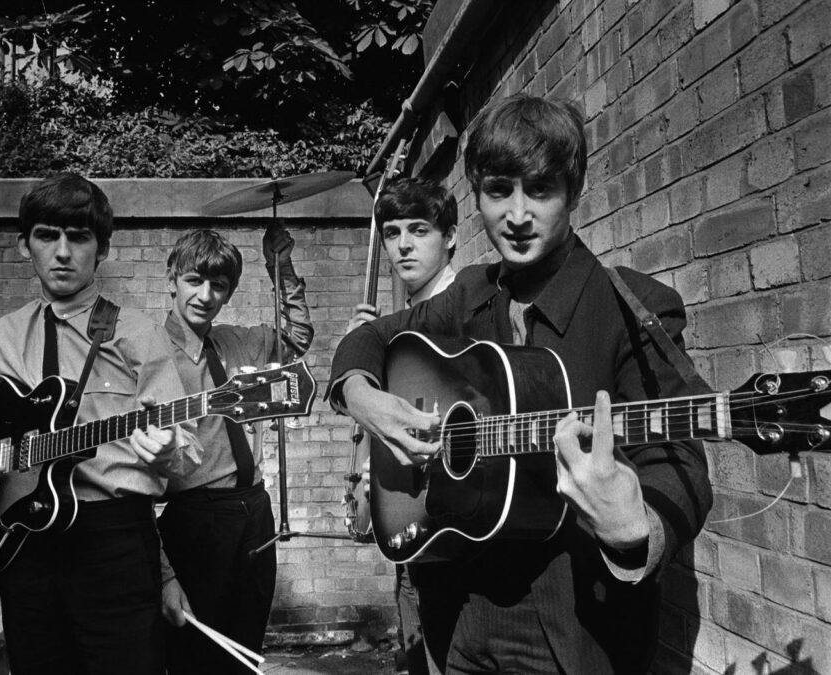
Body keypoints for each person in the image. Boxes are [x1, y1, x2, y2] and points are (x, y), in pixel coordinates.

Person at [327, 95, 714, 674]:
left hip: (578, 627)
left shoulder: (634, 307)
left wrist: (637, 529)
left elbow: (679, 457)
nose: (518, 214)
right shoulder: (467, 298)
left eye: (540, 190)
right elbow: (372, 340)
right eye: (499, 190)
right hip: (457, 618)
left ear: (574, 191)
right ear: (478, 193)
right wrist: (364, 398)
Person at [0, 173, 201, 675]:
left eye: (79, 237)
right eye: (47, 235)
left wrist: (167, 446)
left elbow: (186, 449)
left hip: (116, 544)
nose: (63, 252)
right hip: (25, 543)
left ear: (101, 248)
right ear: (26, 246)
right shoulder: (1, 338)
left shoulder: (138, 335)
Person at [158, 226, 313, 674]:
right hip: (195, 519)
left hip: (254, 512)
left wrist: (280, 266)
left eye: (219, 286)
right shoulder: (147, 354)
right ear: (172, 279)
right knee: (194, 655)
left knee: (245, 649)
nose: (206, 295)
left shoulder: (240, 340)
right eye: (194, 281)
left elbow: (297, 336)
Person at [346, 176, 457, 675]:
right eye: (392, 233)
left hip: (454, 534)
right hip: (413, 525)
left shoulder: (466, 311)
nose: (403, 245)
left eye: (419, 229)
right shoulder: (399, 323)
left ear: (449, 235)